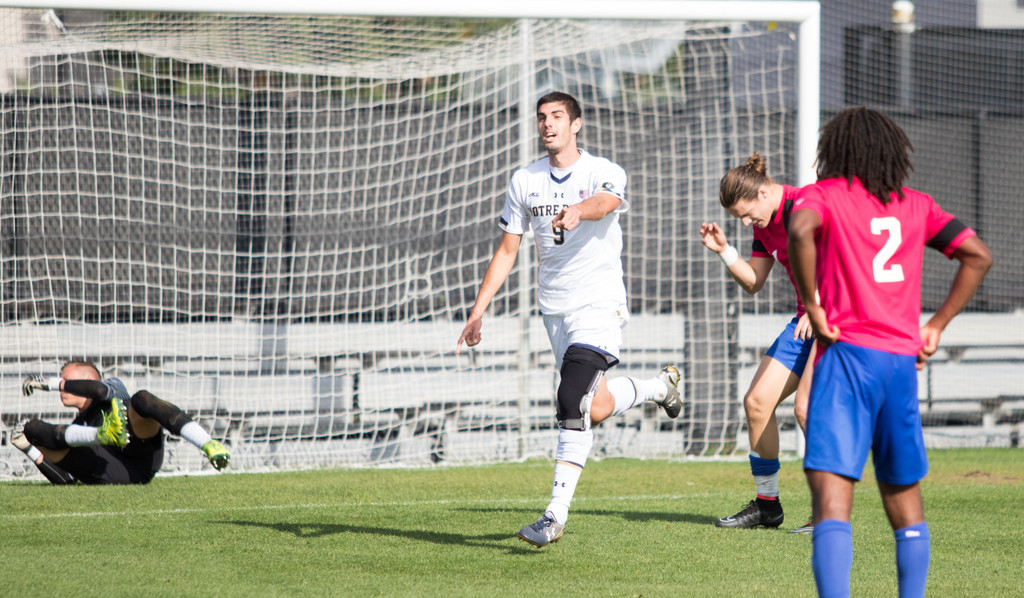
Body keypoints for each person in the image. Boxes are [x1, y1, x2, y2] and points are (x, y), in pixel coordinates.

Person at [456, 91, 683, 548]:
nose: (548, 124)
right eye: (542, 117)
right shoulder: (525, 180)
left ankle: (553, 516)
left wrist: (580, 210)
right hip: (553, 310)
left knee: (570, 398)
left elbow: (606, 203)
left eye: (557, 116)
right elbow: (507, 251)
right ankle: (662, 387)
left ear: (576, 124)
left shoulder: (603, 171)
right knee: (592, 407)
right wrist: (478, 310)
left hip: (597, 304)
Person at [788, 107, 992, 597]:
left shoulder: (824, 196)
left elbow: (798, 232)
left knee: (833, 501)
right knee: (905, 503)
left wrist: (813, 306)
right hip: (900, 365)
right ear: (891, 152)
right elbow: (978, 256)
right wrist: (936, 326)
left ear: (833, 151)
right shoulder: (917, 205)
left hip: (846, 359)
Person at [700, 152, 815, 533]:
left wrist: (820, 307)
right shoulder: (763, 224)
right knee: (757, 403)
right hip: (805, 321)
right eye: (740, 219)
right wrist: (726, 252)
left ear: (765, 192)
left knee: (806, 410)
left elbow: (846, 259)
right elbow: (753, 282)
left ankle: (829, 512)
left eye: (748, 215)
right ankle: (768, 507)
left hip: (838, 317)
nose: (748, 223)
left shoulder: (808, 204)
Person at [11, 360, 230, 484]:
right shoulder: (77, 426)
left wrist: (50, 383)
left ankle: (208, 443)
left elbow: (99, 389)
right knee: (34, 430)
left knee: (141, 398)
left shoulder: (111, 386)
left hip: (140, 451)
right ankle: (102, 435)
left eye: (67, 380)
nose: (64, 387)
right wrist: (28, 448)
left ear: (86, 380)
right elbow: (66, 480)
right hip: (119, 473)